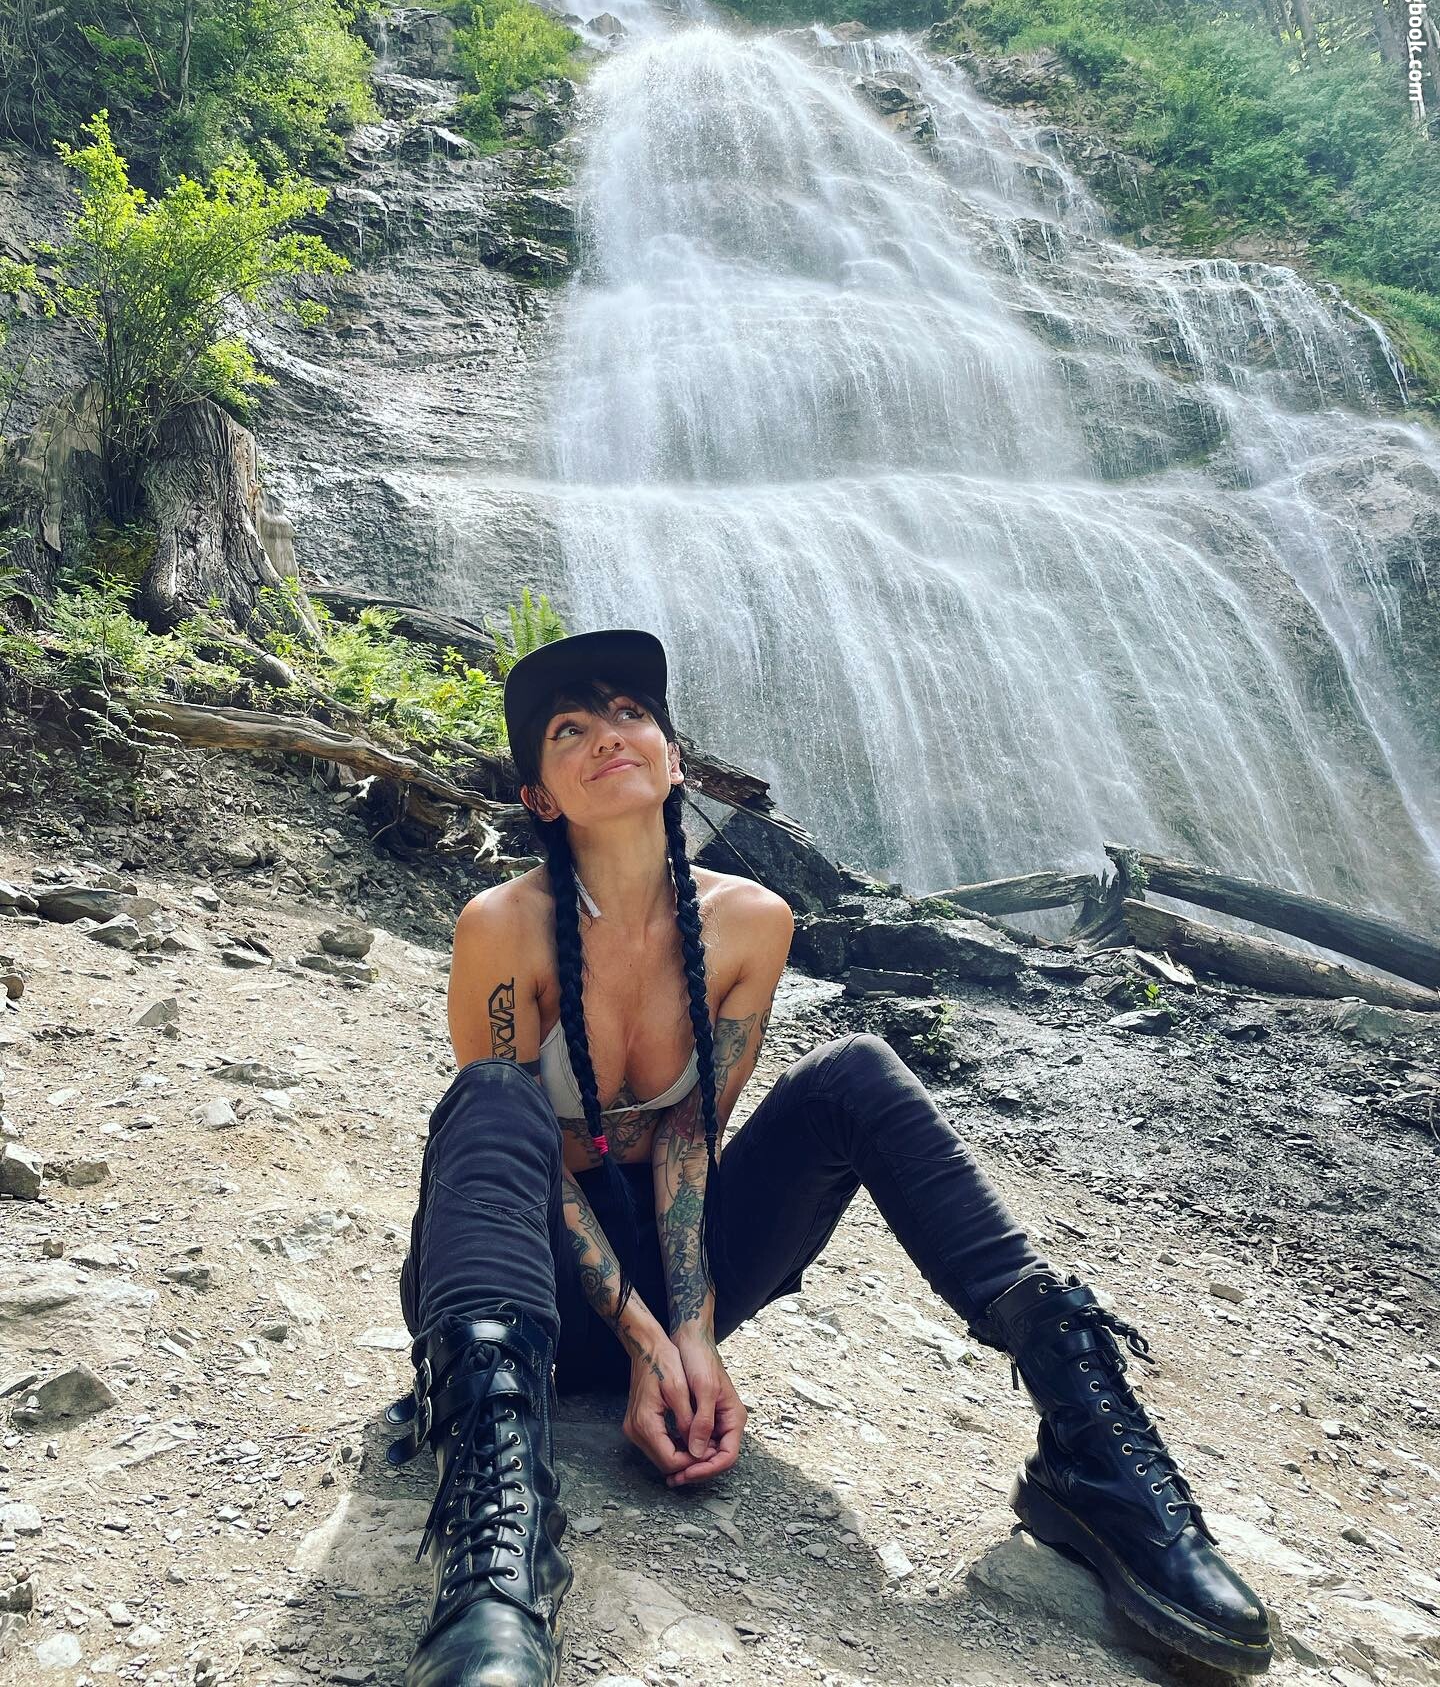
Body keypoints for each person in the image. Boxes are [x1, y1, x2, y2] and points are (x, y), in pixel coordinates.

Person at [386, 627, 1273, 1687]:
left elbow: (688, 1137)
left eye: (630, 714)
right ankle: (496, 1561)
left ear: (674, 758)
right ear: (539, 794)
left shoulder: (752, 921)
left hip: (670, 1271)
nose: (609, 735)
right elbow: (527, 1164)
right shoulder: (502, 925)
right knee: (490, 1099)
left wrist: (694, 1330)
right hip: (515, 1290)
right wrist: (644, 1340)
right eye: (569, 730)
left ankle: (1094, 1451)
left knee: (856, 1071)